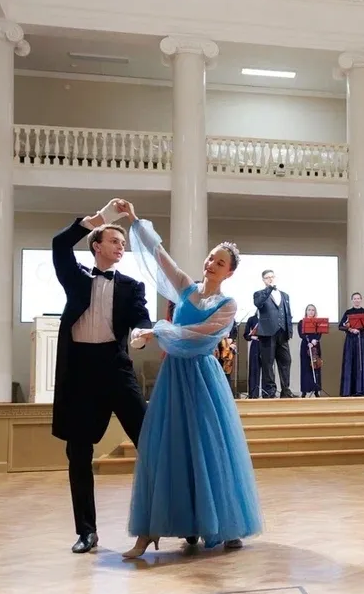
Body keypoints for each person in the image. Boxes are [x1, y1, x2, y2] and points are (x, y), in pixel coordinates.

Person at [123, 208, 262, 557]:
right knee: (173, 446)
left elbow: (200, 332)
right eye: (211, 257)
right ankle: (167, 527)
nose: (212, 263)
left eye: (220, 262)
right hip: (174, 376)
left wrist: (158, 331)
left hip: (202, 377)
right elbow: (160, 256)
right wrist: (136, 222)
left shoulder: (228, 304)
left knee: (209, 447)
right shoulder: (186, 288)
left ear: (229, 272)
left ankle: (224, 523)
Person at [51, 199, 152, 554]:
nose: (121, 247)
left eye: (123, 243)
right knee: (78, 453)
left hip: (116, 367)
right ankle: (87, 532)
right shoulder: (74, 276)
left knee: (151, 442)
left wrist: (142, 332)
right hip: (80, 372)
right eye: (114, 241)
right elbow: (59, 243)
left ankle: (177, 520)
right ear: (96, 246)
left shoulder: (132, 285)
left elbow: (141, 317)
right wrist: (99, 218)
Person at [253, 269, 294, 398]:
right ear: (263, 280)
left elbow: (288, 314)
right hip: (267, 333)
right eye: (267, 277)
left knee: (286, 361)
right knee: (268, 363)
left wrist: (289, 331)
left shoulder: (285, 295)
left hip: (282, 332)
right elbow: (258, 303)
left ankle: (286, 390)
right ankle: (270, 391)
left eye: (272, 276)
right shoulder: (259, 294)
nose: (270, 279)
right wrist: (269, 289)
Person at [339, 293, 364, 397]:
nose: (357, 300)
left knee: (362, 363)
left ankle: (363, 389)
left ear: (361, 300)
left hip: (361, 339)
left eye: (358, 298)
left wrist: (361, 327)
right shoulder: (348, 312)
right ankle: (349, 390)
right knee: (350, 362)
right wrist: (350, 329)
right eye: (355, 298)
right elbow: (341, 326)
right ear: (352, 300)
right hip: (350, 340)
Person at [298, 304, 324, 398]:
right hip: (306, 345)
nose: (311, 312)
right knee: (305, 368)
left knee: (316, 366)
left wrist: (314, 342)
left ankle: (316, 390)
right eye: (309, 310)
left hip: (315, 345)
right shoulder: (301, 322)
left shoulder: (318, 322)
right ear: (306, 311)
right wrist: (308, 341)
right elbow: (301, 334)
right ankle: (304, 391)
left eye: (313, 310)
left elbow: (319, 334)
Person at [242, 315, 261, 398]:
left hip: (267, 345)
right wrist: (252, 336)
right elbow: (246, 335)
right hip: (256, 343)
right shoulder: (252, 319)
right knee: (254, 369)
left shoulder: (269, 317)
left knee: (268, 369)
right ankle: (253, 393)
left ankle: (268, 392)